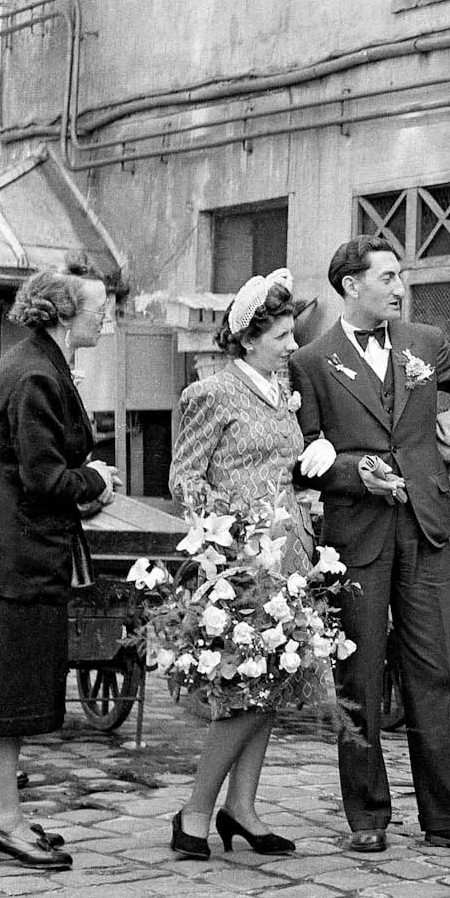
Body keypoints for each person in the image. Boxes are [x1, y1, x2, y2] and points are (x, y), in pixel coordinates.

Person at [290, 235, 450, 861]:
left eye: (400, 276)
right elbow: (302, 459)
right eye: (387, 277)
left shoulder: (425, 344)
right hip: (356, 538)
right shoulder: (312, 362)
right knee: (358, 676)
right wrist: (354, 471)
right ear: (350, 285)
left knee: (439, 673)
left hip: (425, 528)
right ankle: (367, 814)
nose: (399, 287)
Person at [165, 270, 337, 860]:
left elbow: (281, 467)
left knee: (273, 685)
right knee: (244, 690)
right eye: (282, 336)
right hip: (237, 562)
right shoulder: (211, 393)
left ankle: (242, 808)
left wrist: (314, 456)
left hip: (288, 555)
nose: (292, 345)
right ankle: (194, 811)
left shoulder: (281, 389)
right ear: (247, 339)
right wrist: (231, 537)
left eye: (292, 334)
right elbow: (185, 480)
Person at [0, 269, 117, 869]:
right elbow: (44, 478)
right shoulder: (35, 374)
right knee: (3, 695)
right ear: (63, 312)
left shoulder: (34, 364)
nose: (105, 317)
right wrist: (95, 479)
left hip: (15, 555)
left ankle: (0, 813)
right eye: (98, 308)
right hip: (17, 559)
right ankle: (3, 821)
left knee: (6, 690)